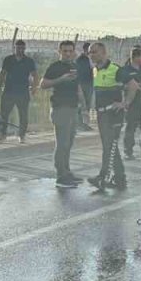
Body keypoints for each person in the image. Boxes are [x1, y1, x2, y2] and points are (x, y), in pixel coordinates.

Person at [87, 42, 139, 191]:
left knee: (109, 147)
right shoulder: (95, 70)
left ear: (103, 53)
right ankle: (120, 178)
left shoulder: (115, 69)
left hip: (113, 114)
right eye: (90, 53)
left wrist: (125, 103)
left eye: (94, 52)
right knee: (110, 147)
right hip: (101, 114)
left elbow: (133, 86)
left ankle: (102, 177)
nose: (91, 55)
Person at [41, 40, 85, 188]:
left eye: (70, 51)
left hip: (73, 108)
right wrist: (61, 79)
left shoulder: (74, 66)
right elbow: (43, 84)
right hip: (60, 108)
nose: (67, 54)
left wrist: (82, 103)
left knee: (69, 142)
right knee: (62, 143)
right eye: (64, 51)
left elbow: (78, 85)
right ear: (59, 51)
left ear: (73, 52)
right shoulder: (55, 67)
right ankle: (61, 175)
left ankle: (67, 171)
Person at [0, 39, 37, 143]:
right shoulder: (8, 59)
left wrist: (34, 87)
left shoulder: (29, 61)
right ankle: (2, 135)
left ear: (25, 48)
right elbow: (2, 73)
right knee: (4, 114)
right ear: (14, 48)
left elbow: (35, 75)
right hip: (9, 91)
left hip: (23, 92)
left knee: (23, 115)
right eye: (18, 48)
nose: (20, 50)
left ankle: (22, 135)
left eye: (22, 48)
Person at [119, 47, 141, 159]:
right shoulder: (125, 70)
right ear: (135, 57)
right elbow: (119, 84)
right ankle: (128, 151)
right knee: (130, 127)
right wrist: (130, 87)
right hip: (131, 102)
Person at [75, 42, 94, 131]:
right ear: (86, 50)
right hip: (82, 84)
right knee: (81, 104)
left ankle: (85, 124)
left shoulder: (91, 59)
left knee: (87, 104)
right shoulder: (81, 59)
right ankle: (79, 123)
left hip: (89, 83)